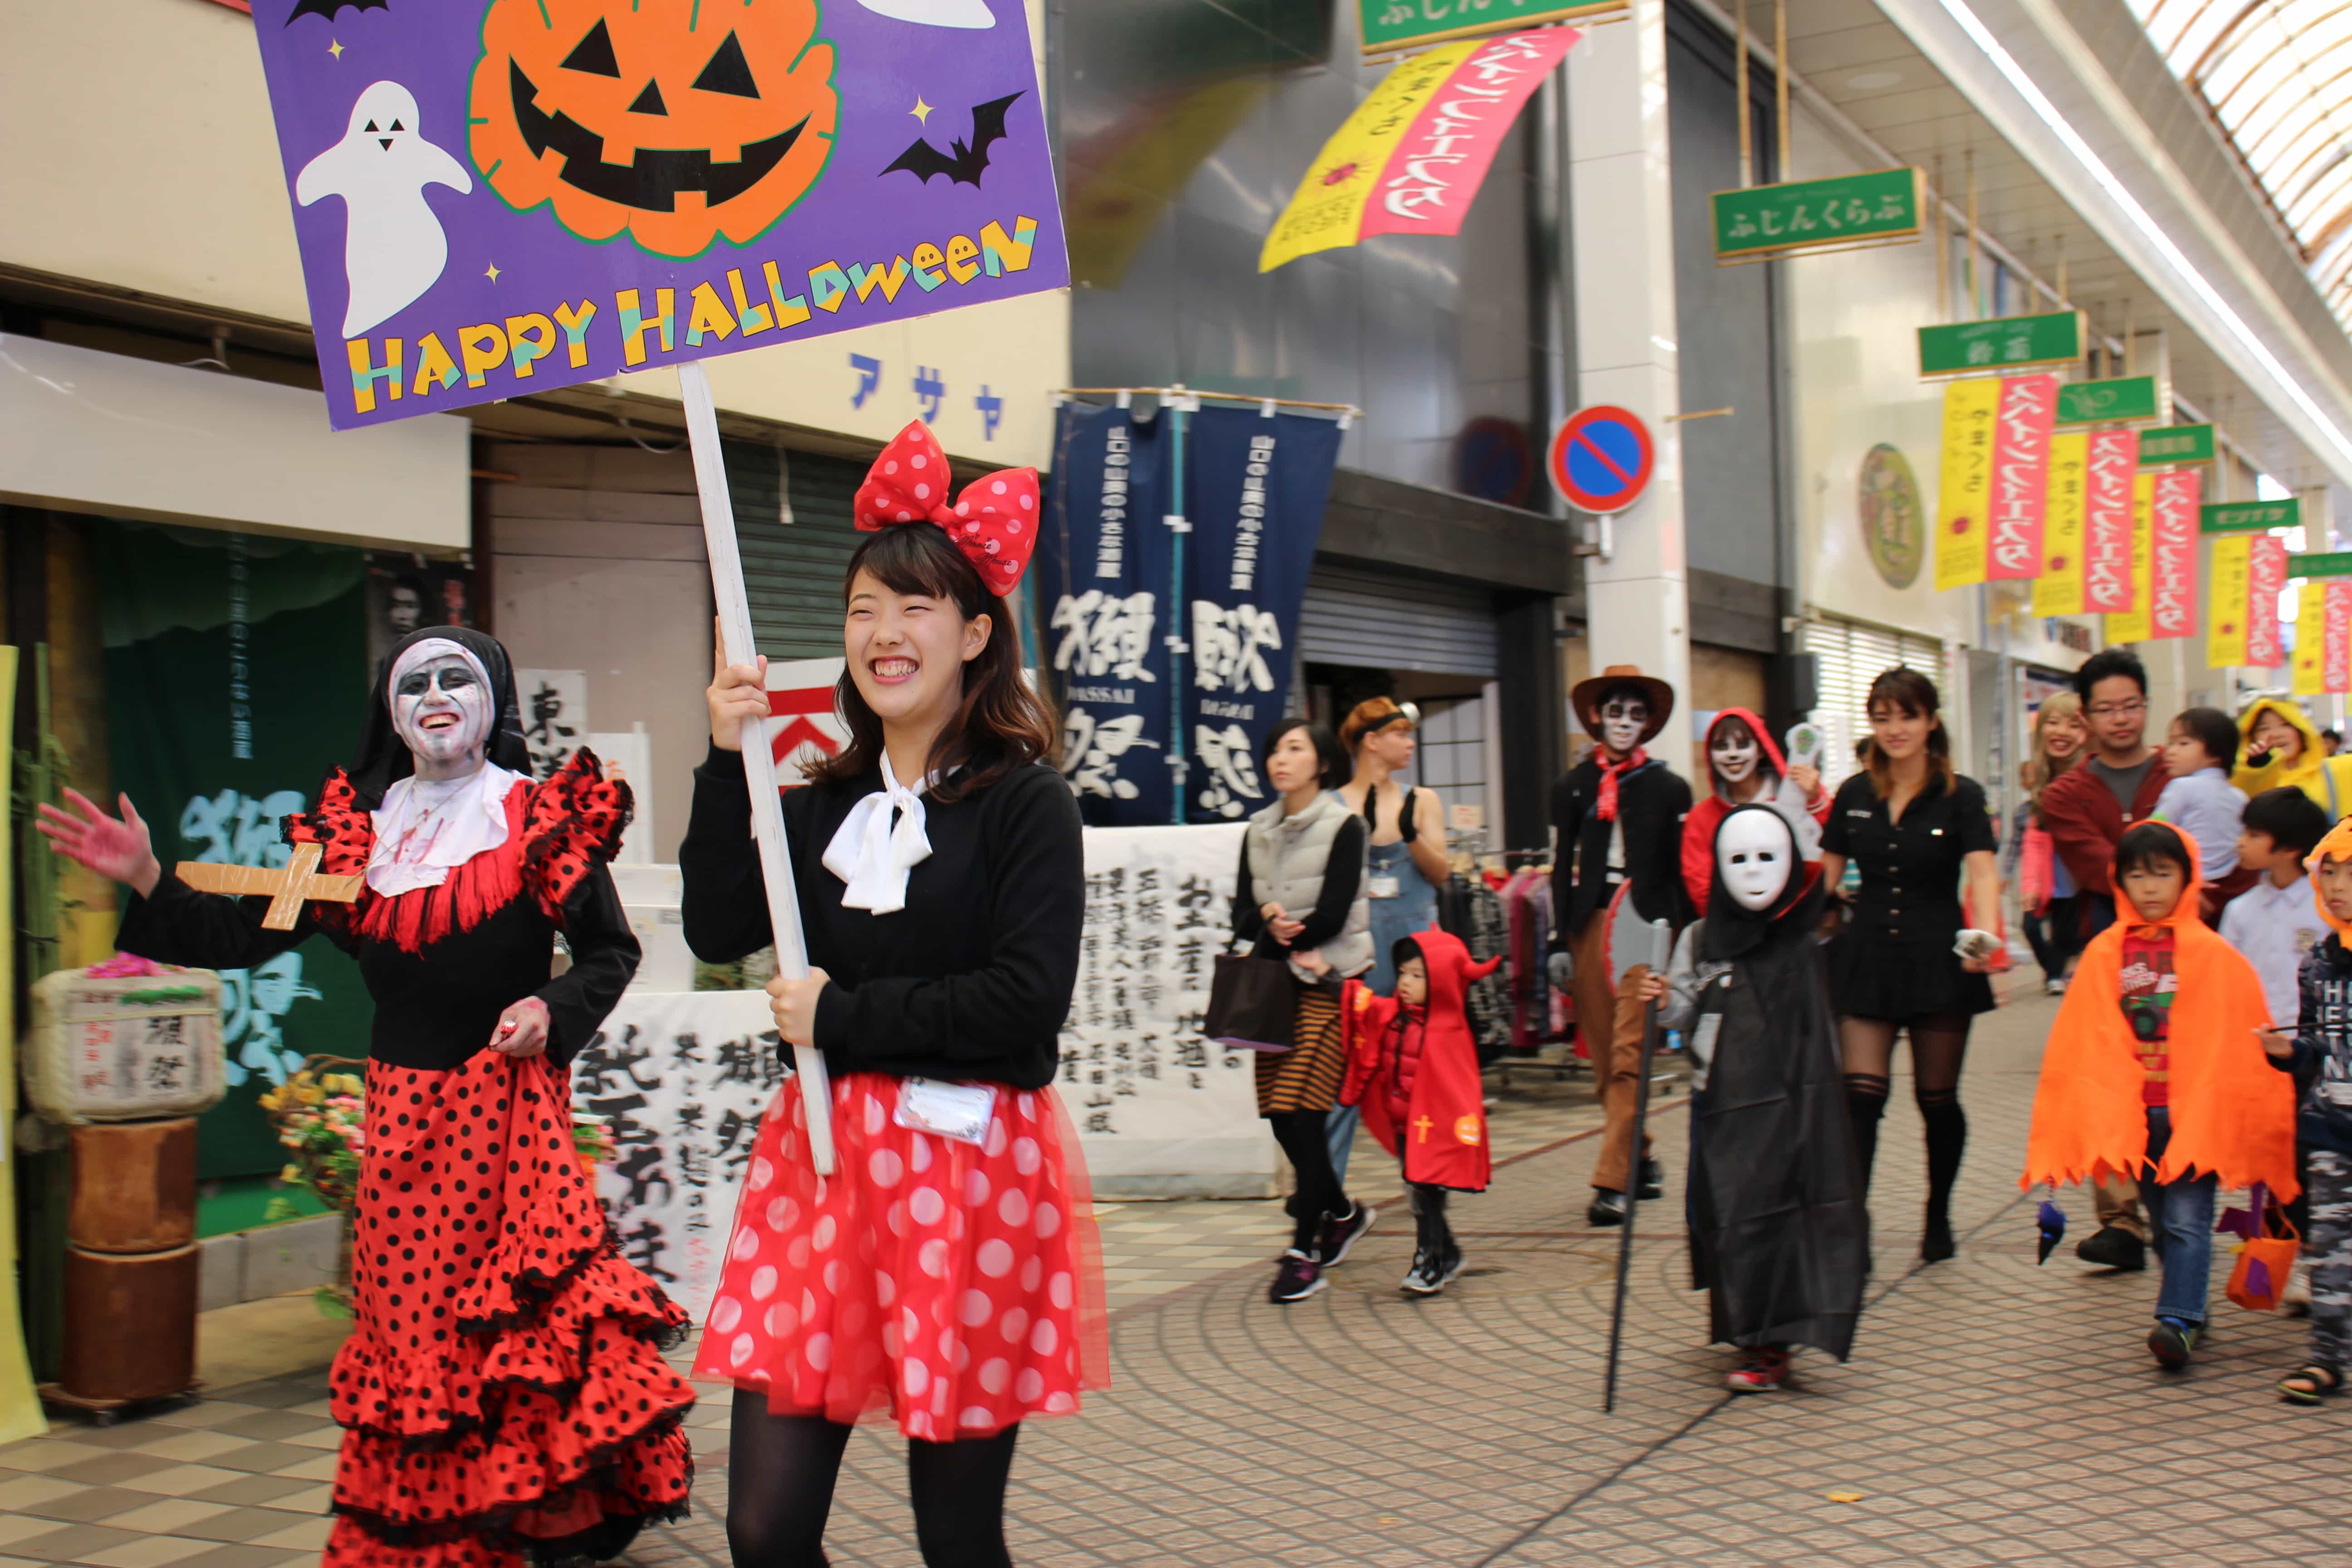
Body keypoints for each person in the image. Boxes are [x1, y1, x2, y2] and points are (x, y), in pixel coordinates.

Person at [39, 627, 688, 1568]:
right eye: (413, 683)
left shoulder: (535, 818)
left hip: (509, 1118)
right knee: (415, 1328)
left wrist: (550, 1008)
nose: (435, 695)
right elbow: (243, 934)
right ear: (390, 711)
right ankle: (443, 1529)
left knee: (521, 1322)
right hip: (404, 1130)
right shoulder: (357, 835)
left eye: (457, 678)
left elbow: (609, 952)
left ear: (493, 702)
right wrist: (144, 873)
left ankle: (544, 1514)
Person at [681, 425, 1101, 1568]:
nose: (883, 633)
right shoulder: (819, 803)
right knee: (764, 1529)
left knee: (955, 1535)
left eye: (916, 608)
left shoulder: (1027, 805)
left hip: (969, 1181)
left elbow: (1024, 1004)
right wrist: (724, 757)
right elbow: (718, 927)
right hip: (818, 1174)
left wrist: (841, 1018)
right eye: (865, 608)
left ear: (975, 633)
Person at [2025, 822, 2298, 1369]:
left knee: (2186, 1220)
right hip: (2138, 1117)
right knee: (2160, 1220)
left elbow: (2240, 1034)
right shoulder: (2106, 953)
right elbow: (2083, 1037)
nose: (2150, 887)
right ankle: (2190, 1306)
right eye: (2136, 876)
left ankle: (2177, 1319)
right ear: (2119, 881)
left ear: (2186, 878)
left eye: (2163, 874)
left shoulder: (2214, 955)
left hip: (2196, 1114)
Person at [1646, 804, 1867, 1392]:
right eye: (1738, 858)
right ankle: (1747, 1324)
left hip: (1789, 1104)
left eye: (1767, 857)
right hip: (1716, 1102)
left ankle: (1767, 1343)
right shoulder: (1701, 937)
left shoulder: (1807, 937)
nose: (1752, 870)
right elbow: (1681, 1012)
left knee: (1774, 1218)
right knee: (1721, 1216)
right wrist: (1660, 1000)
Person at [1819, 666, 2001, 1264]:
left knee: (1937, 1098)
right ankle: (1854, 1222)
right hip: (1866, 956)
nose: (1895, 729)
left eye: (1907, 716)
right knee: (1860, 1096)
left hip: (1938, 960)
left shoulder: (1962, 795)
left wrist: (1985, 939)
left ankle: (1937, 1212)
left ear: (1931, 721)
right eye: (1883, 718)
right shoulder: (1854, 794)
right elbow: (1825, 878)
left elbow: (1982, 873)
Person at [1233, 716, 1377, 1304]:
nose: (1280, 758)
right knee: (1279, 1115)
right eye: (1275, 749)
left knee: (1305, 1114)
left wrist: (1286, 929)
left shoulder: (1345, 825)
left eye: (1295, 749)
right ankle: (1342, 1212)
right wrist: (1266, 917)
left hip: (1326, 984)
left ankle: (1304, 1253)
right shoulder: (1257, 829)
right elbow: (1241, 911)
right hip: (1273, 987)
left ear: (1322, 762)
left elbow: (1336, 913)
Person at [1549, 665, 1691, 1228]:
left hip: (1647, 925)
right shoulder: (1572, 786)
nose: (1625, 722)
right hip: (1589, 924)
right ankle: (1643, 1154)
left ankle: (1614, 1181)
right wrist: (1558, 939)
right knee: (1607, 1058)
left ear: (1648, 722)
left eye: (1636, 713)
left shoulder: (1670, 788)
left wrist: (1683, 944)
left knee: (1632, 1052)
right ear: (1597, 717)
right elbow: (1561, 866)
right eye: (1616, 712)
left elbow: (1681, 873)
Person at [2038, 647, 2167, 1267]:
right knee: (2108, 1079)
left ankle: (2177, 1205)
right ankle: (2120, 1222)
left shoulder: (2178, 776)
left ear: (2146, 706)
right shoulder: (2067, 792)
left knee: (2175, 1081)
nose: (2121, 719)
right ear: (2087, 717)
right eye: (2107, 709)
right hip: (2107, 952)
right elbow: (2096, 868)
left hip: (2184, 955)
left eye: (2130, 706)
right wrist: (2166, 874)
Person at [1339, 930, 1500, 1296]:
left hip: (1433, 1130)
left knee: (1426, 1191)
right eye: (1403, 973)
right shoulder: (1394, 1014)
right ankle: (1448, 1253)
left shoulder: (1448, 1032)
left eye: (1418, 976)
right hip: (1404, 1123)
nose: (1406, 983)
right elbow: (1360, 1003)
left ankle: (1429, 1262)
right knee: (1418, 1191)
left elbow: (1458, 1088)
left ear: (1442, 980)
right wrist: (1325, 974)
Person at [1333, 696, 1451, 1188]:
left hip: (1415, 953)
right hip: (1356, 953)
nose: (1410, 743)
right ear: (1372, 741)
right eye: (1400, 734)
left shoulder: (1422, 800)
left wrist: (1410, 835)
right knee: (1346, 1071)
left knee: (1419, 1071)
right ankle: (1328, 1200)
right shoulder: (1332, 806)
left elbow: (1441, 874)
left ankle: (1429, 1189)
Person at [2265, 815, 2352, 1403]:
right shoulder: (2317, 964)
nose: (2338, 885)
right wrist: (2287, 1053)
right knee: (2328, 1246)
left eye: (2351, 873)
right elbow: (2316, 1046)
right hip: (2330, 1130)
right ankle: (2326, 1359)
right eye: (2330, 871)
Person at [1679, 706, 1828, 913]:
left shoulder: (1800, 796)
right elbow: (1700, 884)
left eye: (1743, 744)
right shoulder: (1701, 818)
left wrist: (1814, 801)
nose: (1732, 754)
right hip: (1730, 927)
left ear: (1761, 749)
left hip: (1796, 921)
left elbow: (1827, 852)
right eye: (1721, 746)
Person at [2221, 788, 2333, 1031]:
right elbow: (2225, 978)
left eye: (2253, 835)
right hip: (2251, 1036)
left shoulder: (2327, 909)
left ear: (2289, 848)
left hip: (2311, 1039)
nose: (2241, 842)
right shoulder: (2239, 910)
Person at [2011, 692, 2088, 994]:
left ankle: (2060, 974)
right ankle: (2055, 973)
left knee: (2071, 940)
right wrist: (2029, 885)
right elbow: (2033, 839)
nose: (2062, 732)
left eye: (2073, 725)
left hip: (2082, 881)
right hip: (2049, 878)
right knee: (2031, 928)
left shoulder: (2090, 774)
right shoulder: (2043, 779)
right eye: (2054, 723)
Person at [2152, 706, 2251, 920]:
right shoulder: (2240, 797)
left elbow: (2155, 832)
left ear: (2214, 754)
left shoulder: (2181, 787)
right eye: (2171, 743)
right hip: (2227, 887)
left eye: (2183, 744)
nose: (2171, 751)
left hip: (2185, 887)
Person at [2233, 697, 2352, 816]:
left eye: (2286, 725)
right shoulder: (2246, 783)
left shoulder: (2339, 769)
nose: (2277, 735)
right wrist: (2258, 766)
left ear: (2302, 730)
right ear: (2251, 739)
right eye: (2264, 729)